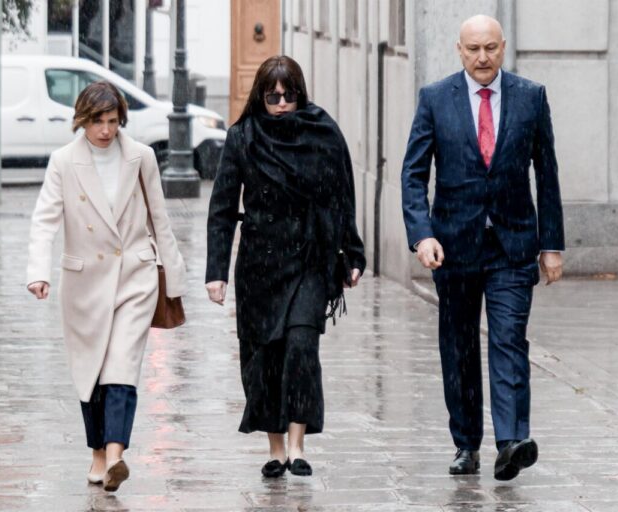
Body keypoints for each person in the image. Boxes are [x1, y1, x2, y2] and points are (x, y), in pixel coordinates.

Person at [400, 15, 564, 481]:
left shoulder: (531, 97)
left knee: (509, 339)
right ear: (459, 50)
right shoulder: (436, 99)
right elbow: (413, 175)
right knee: (459, 347)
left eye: (490, 48)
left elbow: (547, 174)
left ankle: (511, 441)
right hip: (453, 246)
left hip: (513, 244)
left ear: (503, 47)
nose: (482, 57)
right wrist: (422, 235)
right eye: (473, 49)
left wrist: (552, 244)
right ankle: (466, 443)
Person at [205, 55, 366, 478]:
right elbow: (222, 208)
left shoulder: (322, 132)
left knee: (301, 346)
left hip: (310, 258)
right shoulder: (243, 137)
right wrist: (216, 272)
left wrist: (352, 253)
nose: (280, 104)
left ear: (300, 94)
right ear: (260, 97)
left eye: (288, 95)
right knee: (265, 357)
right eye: (272, 96)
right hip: (259, 264)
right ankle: (275, 449)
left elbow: (341, 196)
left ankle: (297, 445)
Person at [25, 81, 186, 492]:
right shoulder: (63, 161)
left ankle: (115, 455)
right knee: (91, 371)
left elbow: (159, 218)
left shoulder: (141, 156)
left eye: (113, 121)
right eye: (97, 121)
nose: (106, 130)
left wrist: (174, 278)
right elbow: (44, 220)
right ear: (82, 120)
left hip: (135, 274)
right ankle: (98, 454)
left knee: (121, 366)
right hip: (84, 283)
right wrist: (38, 271)